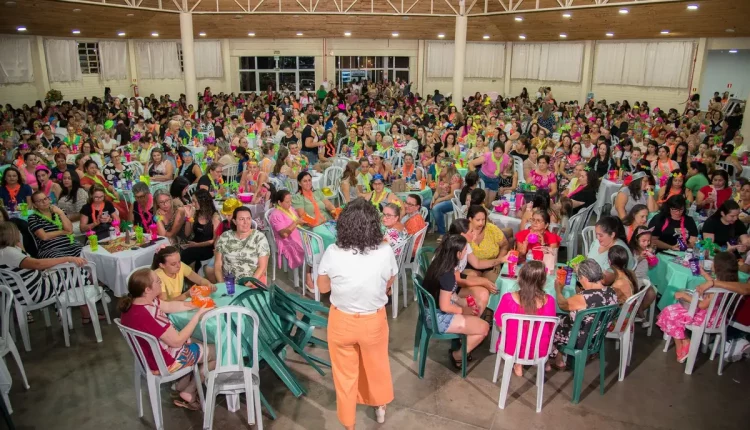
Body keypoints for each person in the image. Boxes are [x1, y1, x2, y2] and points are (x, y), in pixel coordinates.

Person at [316, 199, 398, 428]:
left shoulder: (333, 251)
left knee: (344, 376)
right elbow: (390, 279)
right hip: (373, 321)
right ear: (374, 224)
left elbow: (323, 288)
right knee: (377, 366)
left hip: (341, 321)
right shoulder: (384, 250)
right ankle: (380, 407)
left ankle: (348, 423)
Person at [118, 267, 215, 411]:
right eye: (157, 281)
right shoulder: (148, 315)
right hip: (166, 361)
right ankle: (189, 391)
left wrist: (194, 304)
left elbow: (168, 306)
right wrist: (198, 315)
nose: (160, 281)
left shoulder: (138, 303)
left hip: (151, 355)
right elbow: (177, 341)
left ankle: (181, 383)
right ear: (147, 289)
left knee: (197, 340)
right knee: (217, 350)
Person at [422, 233, 490, 370]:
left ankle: (465, 338)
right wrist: (463, 310)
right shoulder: (447, 274)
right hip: (437, 316)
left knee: (474, 312)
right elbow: (445, 306)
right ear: (458, 253)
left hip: (432, 308)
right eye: (465, 249)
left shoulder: (440, 262)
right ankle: (457, 355)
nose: (467, 251)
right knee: (484, 328)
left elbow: (447, 293)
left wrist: (460, 301)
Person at [657, 252, 738, 363]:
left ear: (718, 267)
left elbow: (702, 305)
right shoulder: (728, 282)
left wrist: (684, 295)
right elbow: (711, 282)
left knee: (670, 313)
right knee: (671, 311)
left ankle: (684, 342)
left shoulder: (716, 288)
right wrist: (704, 273)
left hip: (707, 318)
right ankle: (683, 345)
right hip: (716, 315)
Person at [0, 222, 88, 319]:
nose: (19, 232)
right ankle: (88, 311)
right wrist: (68, 258)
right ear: (11, 234)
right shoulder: (8, 252)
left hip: (27, 291)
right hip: (36, 291)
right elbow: (37, 264)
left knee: (66, 272)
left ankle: (67, 313)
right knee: (81, 272)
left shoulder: (6, 250)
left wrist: (18, 243)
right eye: (17, 231)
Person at [551, 259, 618, 370]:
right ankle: (559, 359)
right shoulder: (612, 292)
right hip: (597, 336)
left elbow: (562, 305)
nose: (579, 280)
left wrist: (558, 290)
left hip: (579, 339)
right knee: (563, 319)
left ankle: (546, 358)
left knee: (550, 320)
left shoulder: (584, 298)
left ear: (585, 279)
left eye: (579, 278)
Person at [493, 261, 556, 376]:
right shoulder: (550, 301)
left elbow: (501, 326)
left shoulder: (508, 299)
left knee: (510, 335)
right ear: (543, 281)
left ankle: (518, 364)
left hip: (512, 348)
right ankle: (540, 363)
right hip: (539, 350)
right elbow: (550, 328)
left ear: (520, 278)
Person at [215, 206, 270, 285]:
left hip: (252, 282)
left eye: (248, 218)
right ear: (234, 221)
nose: (246, 222)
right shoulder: (225, 236)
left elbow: (262, 267)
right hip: (228, 282)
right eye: (241, 219)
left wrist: (248, 285)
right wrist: (222, 284)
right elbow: (218, 264)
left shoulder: (259, 238)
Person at [27, 190, 81, 258]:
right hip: (50, 249)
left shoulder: (58, 211)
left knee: (83, 252)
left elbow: (69, 230)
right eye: (40, 201)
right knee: (61, 259)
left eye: (45, 198)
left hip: (70, 244)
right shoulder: (33, 217)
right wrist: (62, 232)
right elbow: (44, 236)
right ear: (35, 205)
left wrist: (61, 213)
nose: (44, 202)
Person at [463, 205, 508, 283]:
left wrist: (498, 261)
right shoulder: (465, 232)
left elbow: (505, 245)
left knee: (493, 283)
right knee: (472, 283)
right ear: (470, 219)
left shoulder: (492, 229)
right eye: (478, 220)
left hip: (492, 264)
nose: (481, 223)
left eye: (483, 220)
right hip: (471, 265)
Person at [180, 189, 221, 273]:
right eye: (192, 201)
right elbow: (187, 234)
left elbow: (214, 240)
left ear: (203, 201)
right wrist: (188, 217)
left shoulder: (215, 217)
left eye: (195, 201)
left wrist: (196, 245)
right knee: (181, 252)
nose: (193, 204)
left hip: (208, 247)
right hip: (195, 244)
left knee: (186, 254)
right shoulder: (196, 213)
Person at [269, 189, 305, 272]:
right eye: (287, 202)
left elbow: (296, 221)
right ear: (279, 203)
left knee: (314, 245)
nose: (290, 203)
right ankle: (307, 274)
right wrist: (296, 223)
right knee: (307, 250)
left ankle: (310, 271)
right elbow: (284, 234)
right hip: (286, 241)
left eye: (290, 201)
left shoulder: (290, 209)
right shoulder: (276, 215)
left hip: (297, 235)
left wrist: (302, 220)